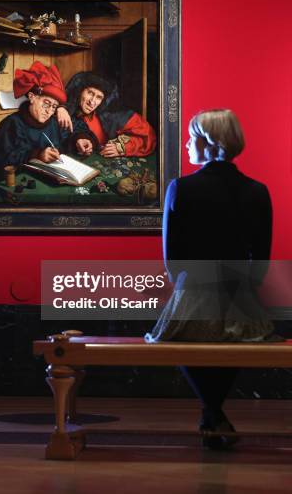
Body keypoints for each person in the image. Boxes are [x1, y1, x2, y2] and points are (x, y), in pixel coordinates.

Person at [145, 109, 281, 450]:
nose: (188, 144)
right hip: (240, 295)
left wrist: (188, 286)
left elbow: (171, 258)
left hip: (194, 291)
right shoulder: (257, 191)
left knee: (181, 338)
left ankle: (211, 411)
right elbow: (260, 261)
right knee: (235, 343)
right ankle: (214, 412)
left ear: (208, 143)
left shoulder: (181, 188)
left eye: (192, 138)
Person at [0, 61, 69, 187]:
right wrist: (37, 154)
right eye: (46, 103)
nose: (49, 111)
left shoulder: (52, 122)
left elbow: (64, 144)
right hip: (11, 185)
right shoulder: (11, 124)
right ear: (32, 97)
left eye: (54, 107)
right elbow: (1, 159)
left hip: (45, 180)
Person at [56, 72, 156, 158]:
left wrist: (121, 147)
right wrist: (61, 107)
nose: (92, 102)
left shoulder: (112, 114)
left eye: (99, 97)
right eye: (90, 93)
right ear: (80, 91)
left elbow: (149, 136)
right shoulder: (67, 112)